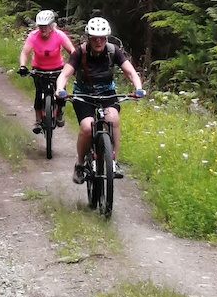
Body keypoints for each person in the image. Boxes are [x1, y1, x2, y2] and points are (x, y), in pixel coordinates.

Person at [54, 16, 145, 184]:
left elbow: (131, 72)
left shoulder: (113, 51)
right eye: (95, 38)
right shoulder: (79, 52)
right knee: (87, 127)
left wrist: (138, 88)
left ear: (106, 38)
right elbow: (64, 75)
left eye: (102, 38)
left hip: (107, 94)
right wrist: (60, 89)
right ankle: (80, 164)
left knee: (112, 119)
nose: (98, 41)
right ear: (89, 38)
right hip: (84, 94)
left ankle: (113, 161)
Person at [18, 10, 75, 134]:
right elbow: (24, 52)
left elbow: (72, 50)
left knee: (61, 94)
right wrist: (23, 66)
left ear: (51, 26)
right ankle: (38, 120)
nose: (42, 29)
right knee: (39, 94)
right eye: (40, 26)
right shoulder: (33, 36)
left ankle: (59, 111)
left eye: (45, 26)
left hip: (57, 69)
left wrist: (75, 64)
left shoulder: (59, 35)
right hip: (39, 69)